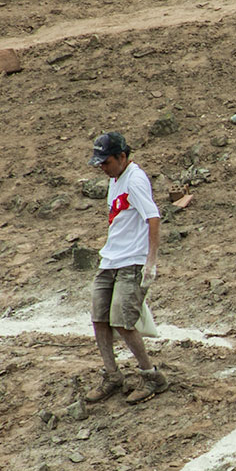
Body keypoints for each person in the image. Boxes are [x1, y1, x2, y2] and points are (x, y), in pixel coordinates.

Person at [86, 132, 168, 403]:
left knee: (122, 321)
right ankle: (112, 375)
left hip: (132, 261)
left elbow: (153, 216)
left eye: (106, 161)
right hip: (110, 259)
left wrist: (150, 261)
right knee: (99, 317)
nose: (102, 167)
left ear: (122, 156)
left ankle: (151, 376)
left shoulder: (135, 179)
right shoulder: (116, 179)